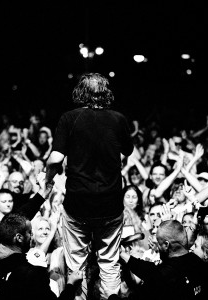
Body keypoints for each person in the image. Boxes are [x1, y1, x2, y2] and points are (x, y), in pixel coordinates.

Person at [45, 73, 134, 299]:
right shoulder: (118, 119)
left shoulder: (69, 118)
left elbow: (55, 159)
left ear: (80, 93)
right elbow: (128, 150)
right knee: (109, 262)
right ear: (105, 94)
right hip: (110, 204)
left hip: (78, 204)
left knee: (76, 263)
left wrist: (48, 179)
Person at [0, 213, 83, 300]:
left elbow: (12, 222)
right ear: (19, 238)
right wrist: (71, 285)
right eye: (29, 232)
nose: (31, 236)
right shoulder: (32, 274)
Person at [115, 219, 207, 300]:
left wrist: (111, 297)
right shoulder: (198, 262)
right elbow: (150, 269)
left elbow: (156, 274)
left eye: (158, 243)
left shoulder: (164, 276)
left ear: (166, 245)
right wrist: (123, 255)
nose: (157, 247)